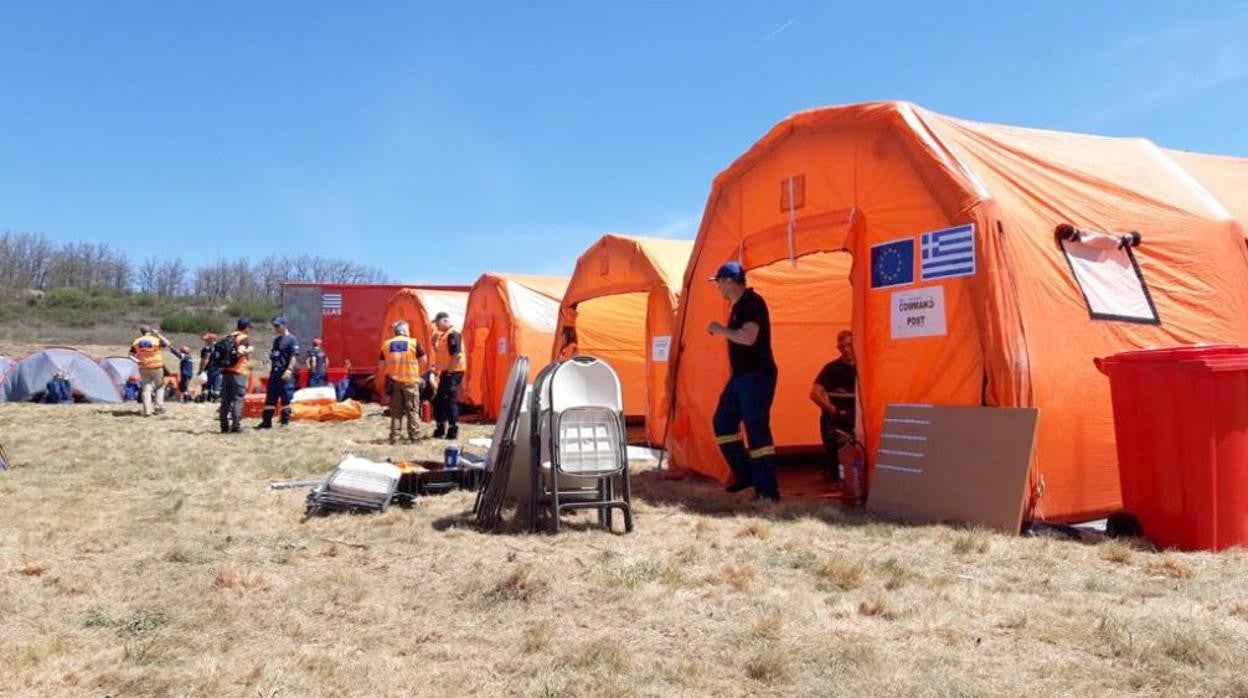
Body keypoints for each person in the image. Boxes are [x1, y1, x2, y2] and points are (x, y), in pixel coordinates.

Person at [706, 262, 780, 501]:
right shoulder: (738, 306)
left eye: (718, 282)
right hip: (741, 377)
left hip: (757, 375)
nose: (717, 287)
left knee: (756, 429)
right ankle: (746, 474)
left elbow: (749, 338)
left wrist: (720, 329)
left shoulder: (752, 303)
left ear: (728, 281)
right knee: (723, 421)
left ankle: (767, 492)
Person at [810, 330, 857, 481]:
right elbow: (815, 394)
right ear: (838, 348)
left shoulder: (866, 367)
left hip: (860, 417)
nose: (847, 350)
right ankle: (834, 474)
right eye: (843, 347)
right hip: (838, 420)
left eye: (850, 345)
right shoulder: (832, 369)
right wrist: (833, 410)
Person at [379, 321, 426, 444]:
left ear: (395, 332)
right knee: (413, 411)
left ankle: (395, 438)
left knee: (396, 411)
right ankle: (415, 437)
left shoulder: (386, 344)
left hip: (394, 383)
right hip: (411, 382)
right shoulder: (414, 343)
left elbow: (381, 364)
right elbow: (423, 360)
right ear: (405, 331)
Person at [258, 317, 299, 429]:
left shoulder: (292, 339)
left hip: (284, 373)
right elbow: (274, 354)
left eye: (277, 326)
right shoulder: (276, 340)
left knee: (285, 397)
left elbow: (293, 356)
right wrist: (267, 358)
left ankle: (284, 422)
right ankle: (266, 422)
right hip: (274, 373)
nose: (275, 328)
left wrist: (289, 369)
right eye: (275, 326)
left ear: (284, 325)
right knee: (271, 397)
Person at [430, 311, 466, 440]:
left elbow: (457, 354)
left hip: (453, 371)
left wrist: (450, 371)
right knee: (439, 399)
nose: (436, 326)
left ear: (444, 321)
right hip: (447, 371)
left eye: (437, 323)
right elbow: (443, 353)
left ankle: (453, 429)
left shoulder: (453, 333)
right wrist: (434, 344)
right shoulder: (444, 335)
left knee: (449, 399)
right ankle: (440, 427)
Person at [218, 317, 255, 434]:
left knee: (225, 400)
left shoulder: (228, 337)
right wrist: (249, 350)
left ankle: (224, 426)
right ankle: (236, 426)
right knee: (237, 399)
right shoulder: (243, 338)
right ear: (247, 327)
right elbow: (240, 351)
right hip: (238, 372)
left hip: (225, 372)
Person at [129, 324, 171, 417]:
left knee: (146, 388)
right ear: (150, 331)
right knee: (160, 386)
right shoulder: (155, 340)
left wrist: (138, 361)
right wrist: (158, 334)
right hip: (156, 366)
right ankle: (158, 407)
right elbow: (168, 343)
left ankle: (147, 411)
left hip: (143, 366)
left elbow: (130, 355)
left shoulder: (136, 342)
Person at [198, 333, 222, 402]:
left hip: (209, 369)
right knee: (216, 385)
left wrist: (201, 370)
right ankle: (216, 398)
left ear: (210, 340)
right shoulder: (219, 347)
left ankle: (205, 398)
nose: (205, 342)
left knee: (206, 385)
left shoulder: (206, 349)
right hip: (218, 368)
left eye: (206, 340)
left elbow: (205, 360)